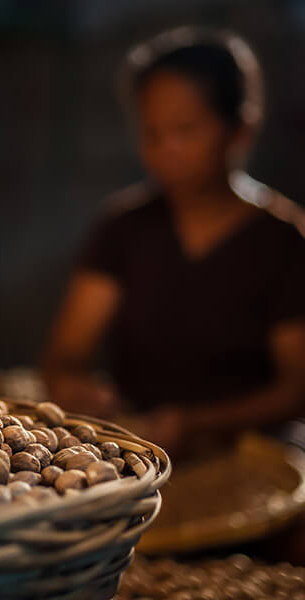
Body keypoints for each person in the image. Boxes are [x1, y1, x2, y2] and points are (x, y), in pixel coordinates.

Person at [41, 28, 305, 457]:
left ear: (239, 130)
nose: (167, 151)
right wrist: (77, 388)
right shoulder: (123, 228)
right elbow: (65, 355)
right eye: (152, 133)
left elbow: (296, 389)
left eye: (186, 131)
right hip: (140, 448)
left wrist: (196, 423)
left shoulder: (282, 240)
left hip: (255, 454)